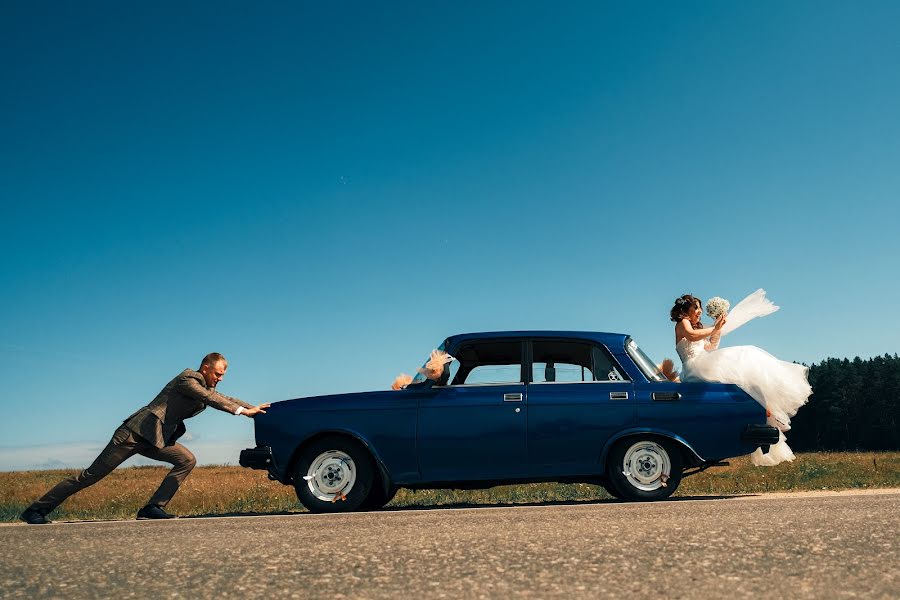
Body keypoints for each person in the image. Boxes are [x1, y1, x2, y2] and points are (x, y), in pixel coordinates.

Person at [19, 353, 270, 524]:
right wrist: (241, 412)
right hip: (132, 434)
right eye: (217, 373)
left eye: (222, 375)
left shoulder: (206, 385)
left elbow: (226, 397)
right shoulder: (188, 379)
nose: (220, 378)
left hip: (155, 438)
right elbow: (213, 400)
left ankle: (152, 508)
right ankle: (36, 510)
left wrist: (253, 410)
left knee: (186, 460)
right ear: (205, 368)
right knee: (90, 476)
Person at [671, 290, 812, 466]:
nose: (699, 312)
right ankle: (769, 415)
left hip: (702, 362)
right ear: (686, 309)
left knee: (746, 379)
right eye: (696, 308)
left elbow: (710, 347)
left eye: (699, 308)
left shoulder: (696, 328)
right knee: (746, 354)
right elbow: (692, 336)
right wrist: (714, 328)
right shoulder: (683, 323)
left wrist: (718, 329)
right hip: (695, 366)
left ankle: (769, 415)